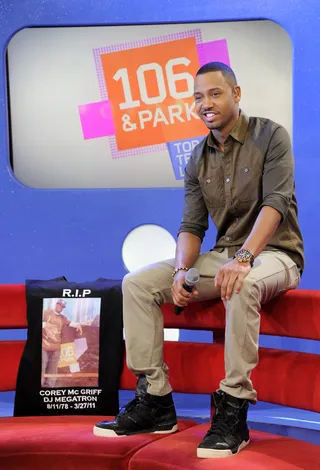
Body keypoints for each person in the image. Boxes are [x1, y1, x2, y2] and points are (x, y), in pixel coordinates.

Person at [93, 62, 304, 458]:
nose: (205, 104)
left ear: (236, 95)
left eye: (215, 93)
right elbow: (191, 225)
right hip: (223, 256)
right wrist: (179, 271)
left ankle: (234, 410)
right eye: (197, 97)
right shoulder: (196, 158)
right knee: (137, 284)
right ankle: (155, 400)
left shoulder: (271, 135)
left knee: (242, 280)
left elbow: (276, 203)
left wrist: (244, 257)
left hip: (276, 254)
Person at [42, 299, 83, 387]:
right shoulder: (46, 313)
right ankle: (39, 388)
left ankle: (49, 388)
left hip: (56, 347)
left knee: (53, 369)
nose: (60, 307)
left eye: (62, 306)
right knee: (42, 365)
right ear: (56, 305)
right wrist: (42, 325)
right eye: (59, 305)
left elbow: (71, 323)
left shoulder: (62, 318)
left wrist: (78, 325)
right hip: (44, 346)